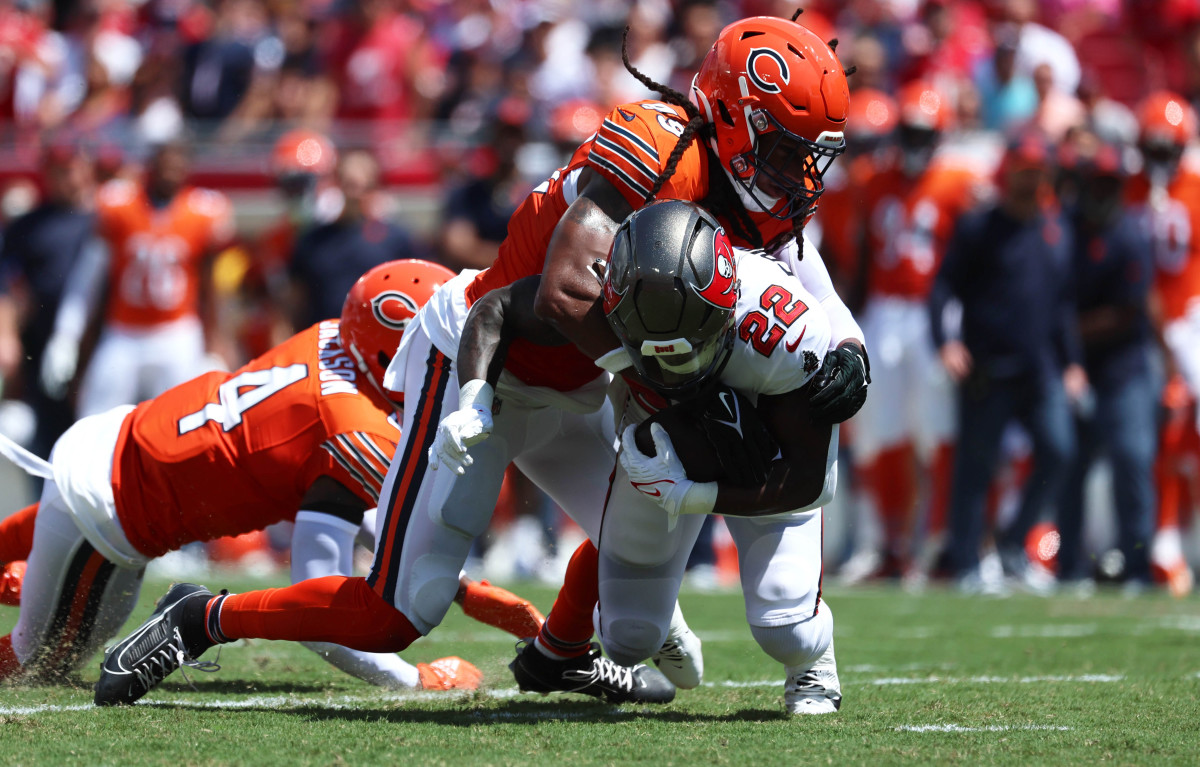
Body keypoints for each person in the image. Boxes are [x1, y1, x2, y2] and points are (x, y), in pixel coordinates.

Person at [93, 14, 867, 708]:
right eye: (785, 152)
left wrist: (847, 346)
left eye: (812, 157)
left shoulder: (749, 193)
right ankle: (202, 616)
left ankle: (559, 654)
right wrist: (668, 390)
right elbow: (565, 292)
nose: (799, 176)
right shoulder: (661, 146)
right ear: (731, 119)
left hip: (583, 377)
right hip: (483, 363)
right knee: (397, 611)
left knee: (650, 511)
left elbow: (804, 271)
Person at [0, 260, 538, 691]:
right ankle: (26, 580)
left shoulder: (332, 338)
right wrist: (413, 680)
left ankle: (27, 575)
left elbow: (354, 498)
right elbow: (319, 600)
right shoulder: (358, 433)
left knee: (57, 574)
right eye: (433, 342)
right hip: (106, 509)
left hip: (119, 442)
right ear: (394, 346)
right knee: (37, 664)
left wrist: (464, 590)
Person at [450, 201, 844, 714]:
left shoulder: (784, 330)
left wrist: (694, 496)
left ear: (727, 308)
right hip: (658, 440)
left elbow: (811, 481)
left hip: (764, 456)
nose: (675, 364)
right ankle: (636, 639)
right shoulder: (600, 296)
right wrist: (473, 398)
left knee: (787, 630)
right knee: (628, 637)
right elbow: (497, 308)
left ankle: (813, 664)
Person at [840, 81, 989, 585]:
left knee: (938, 432)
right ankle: (892, 544)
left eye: (924, 132)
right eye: (908, 131)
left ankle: (942, 541)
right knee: (884, 431)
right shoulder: (870, 179)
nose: (915, 141)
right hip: (883, 311)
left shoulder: (960, 183)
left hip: (934, 314)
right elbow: (857, 255)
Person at [929, 133, 1084, 594]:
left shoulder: (1055, 231)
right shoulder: (979, 226)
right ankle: (965, 563)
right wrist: (946, 341)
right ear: (1009, 169)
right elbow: (943, 286)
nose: (1031, 177)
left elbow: (1061, 307)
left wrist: (1073, 363)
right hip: (988, 367)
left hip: (1039, 368)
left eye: (1039, 169)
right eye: (1024, 168)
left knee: (1059, 449)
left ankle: (1015, 545)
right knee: (976, 468)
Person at [40, 142, 234, 418]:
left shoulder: (203, 211)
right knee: (92, 419)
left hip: (177, 333)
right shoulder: (119, 206)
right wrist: (66, 335)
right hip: (124, 332)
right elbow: (88, 279)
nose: (170, 172)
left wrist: (215, 341)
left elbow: (211, 286)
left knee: (187, 422)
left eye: (177, 165)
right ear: (150, 166)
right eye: (165, 164)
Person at [1057, 142, 1156, 591]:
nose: (1101, 191)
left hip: (1122, 367)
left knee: (1131, 458)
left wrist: (1068, 334)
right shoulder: (1063, 231)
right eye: (1095, 182)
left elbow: (1126, 313)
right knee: (1068, 463)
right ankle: (1069, 566)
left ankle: (1139, 564)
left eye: (1108, 183)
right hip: (1074, 366)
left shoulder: (1131, 235)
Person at [1126, 92, 1200, 593]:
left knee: (1183, 420)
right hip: (1139, 323)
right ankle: (1164, 540)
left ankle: (1174, 538)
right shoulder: (1128, 190)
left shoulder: (1194, 187)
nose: (1159, 161)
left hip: (1190, 317)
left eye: (1166, 149)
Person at [0, 145, 96, 460]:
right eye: (57, 171)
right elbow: (10, 288)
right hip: (44, 349)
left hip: (99, 346)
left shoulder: (106, 218)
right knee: (49, 444)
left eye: (70, 168)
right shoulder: (28, 226)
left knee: (98, 440)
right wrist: (6, 336)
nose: (65, 178)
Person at [286, 149, 427, 332]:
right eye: (349, 180)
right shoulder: (313, 240)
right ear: (338, 181)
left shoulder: (398, 238)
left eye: (363, 181)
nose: (356, 188)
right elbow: (294, 301)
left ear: (375, 184)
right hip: (325, 342)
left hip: (381, 341)